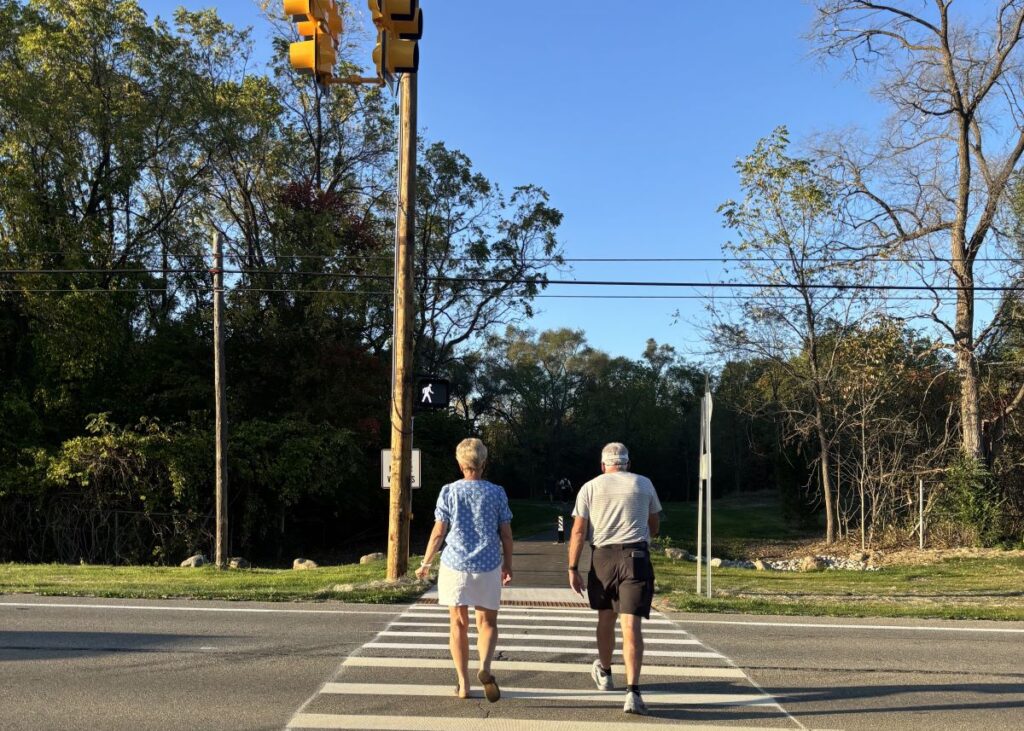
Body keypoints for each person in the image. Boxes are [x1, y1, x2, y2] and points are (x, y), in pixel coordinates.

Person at [567, 442, 662, 716]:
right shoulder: (644, 484)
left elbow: (577, 531)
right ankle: (633, 692)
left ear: (603, 465)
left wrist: (572, 567)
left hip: (602, 559)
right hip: (635, 556)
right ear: (627, 463)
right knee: (631, 626)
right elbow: (654, 523)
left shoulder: (590, 487)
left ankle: (606, 673)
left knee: (605, 618)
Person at [416, 438, 513, 702]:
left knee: (458, 623)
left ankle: (463, 683)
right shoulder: (497, 492)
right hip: (489, 563)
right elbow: (506, 534)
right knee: (488, 623)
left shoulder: (449, 491)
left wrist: (425, 562)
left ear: (460, 464)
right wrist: (508, 564)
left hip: (455, 565)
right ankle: (485, 666)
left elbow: (439, 532)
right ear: (484, 463)